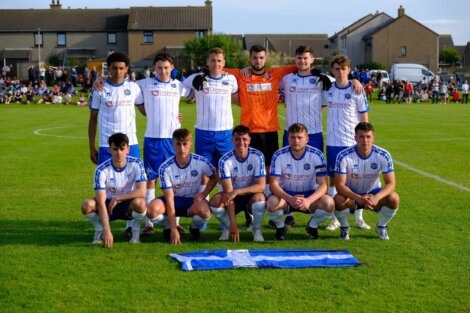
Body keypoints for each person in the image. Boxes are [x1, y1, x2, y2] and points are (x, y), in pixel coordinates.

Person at [135, 53, 190, 235]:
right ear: (154, 68)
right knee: (151, 179)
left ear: (172, 68)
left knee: (175, 180)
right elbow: (128, 91)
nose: (163, 71)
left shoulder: (178, 86)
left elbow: (196, 90)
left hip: (173, 140)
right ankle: (149, 224)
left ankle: (176, 220)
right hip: (153, 138)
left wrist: (177, 115)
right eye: (159, 67)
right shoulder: (145, 83)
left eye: (166, 67)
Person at [146, 129, 218, 244]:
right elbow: (169, 200)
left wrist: (203, 194)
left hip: (192, 201)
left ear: (190, 144)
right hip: (173, 200)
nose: (181, 148)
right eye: (178, 144)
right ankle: (168, 225)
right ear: (173, 144)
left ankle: (194, 227)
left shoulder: (201, 161)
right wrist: (174, 229)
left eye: (185, 144)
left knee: (205, 213)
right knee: (151, 211)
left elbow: (215, 176)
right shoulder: (165, 168)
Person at [324, 55, 370, 231]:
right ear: (332, 71)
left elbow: (364, 116)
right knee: (335, 182)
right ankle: (335, 219)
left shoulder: (357, 90)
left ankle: (359, 217)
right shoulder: (327, 89)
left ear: (349, 70)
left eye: (344, 69)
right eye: (337, 69)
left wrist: (364, 139)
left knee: (356, 181)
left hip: (353, 143)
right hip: (334, 143)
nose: (340, 72)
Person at [267, 123, 334, 240]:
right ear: (288, 138)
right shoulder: (279, 155)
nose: (296, 141)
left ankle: (312, 226)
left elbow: (323, 185)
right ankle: (280, 227)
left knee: (329, 203)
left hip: (309, 195)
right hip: (286, 196)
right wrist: (290, 199)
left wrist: (308, 200)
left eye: (300, 137)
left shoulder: (317, 155)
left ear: (307, 139)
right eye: (292, 137)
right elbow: (273, 184)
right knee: (271, 203)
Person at [334, 122, 399, 240]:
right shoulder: (343, 156)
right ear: (355, 138)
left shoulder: (383, 155)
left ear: (373, 138)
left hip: (373, 193)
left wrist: (376, 197)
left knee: (394, 198)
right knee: (338, 199)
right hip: (352, 195)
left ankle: (381, 226)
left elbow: (391, 183)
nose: (365, 140)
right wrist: (358, 198)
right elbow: (339, 185)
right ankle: (344, 227)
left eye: (368, 137)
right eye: (361, 137)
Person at [80, 133, 147, 247]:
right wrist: (107, 230)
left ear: (128, 149)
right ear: (110, 150)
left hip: (127, 204)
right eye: (115, 149)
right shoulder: (101, 170)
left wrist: (118, 198)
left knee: (140, 203)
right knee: (87, 205)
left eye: (122, 149)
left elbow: (141, 192)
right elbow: (101, 202)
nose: (119, 153)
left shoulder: (136, 164)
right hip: (108, 204)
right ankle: (99, 230)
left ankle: (135, 233)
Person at [209, 125, 267, 242]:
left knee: (260, 199)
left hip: (250, 195)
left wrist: (237, 191)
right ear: (232, 140)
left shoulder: (258, 156)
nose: (241, 143)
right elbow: (229, 194)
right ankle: (228, 227)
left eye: (244, 139)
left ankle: (256, 230)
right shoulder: (225, 160)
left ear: (250, 140)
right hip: (232, 197)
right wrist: (233, 224)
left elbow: (261, 186)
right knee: (215, 202)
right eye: (237, 139)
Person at [88, 52, 143, 165]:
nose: (118, 72)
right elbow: (93, 120)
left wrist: (173, 115)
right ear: (108, 68)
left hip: (130, 143)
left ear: (126, 69)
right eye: (114, 68)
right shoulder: (99, 89)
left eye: (121, 68)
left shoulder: (134, 88)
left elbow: (146, 111)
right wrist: (91, 147)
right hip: (107, 144)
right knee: (108, 181)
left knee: (134, 181)